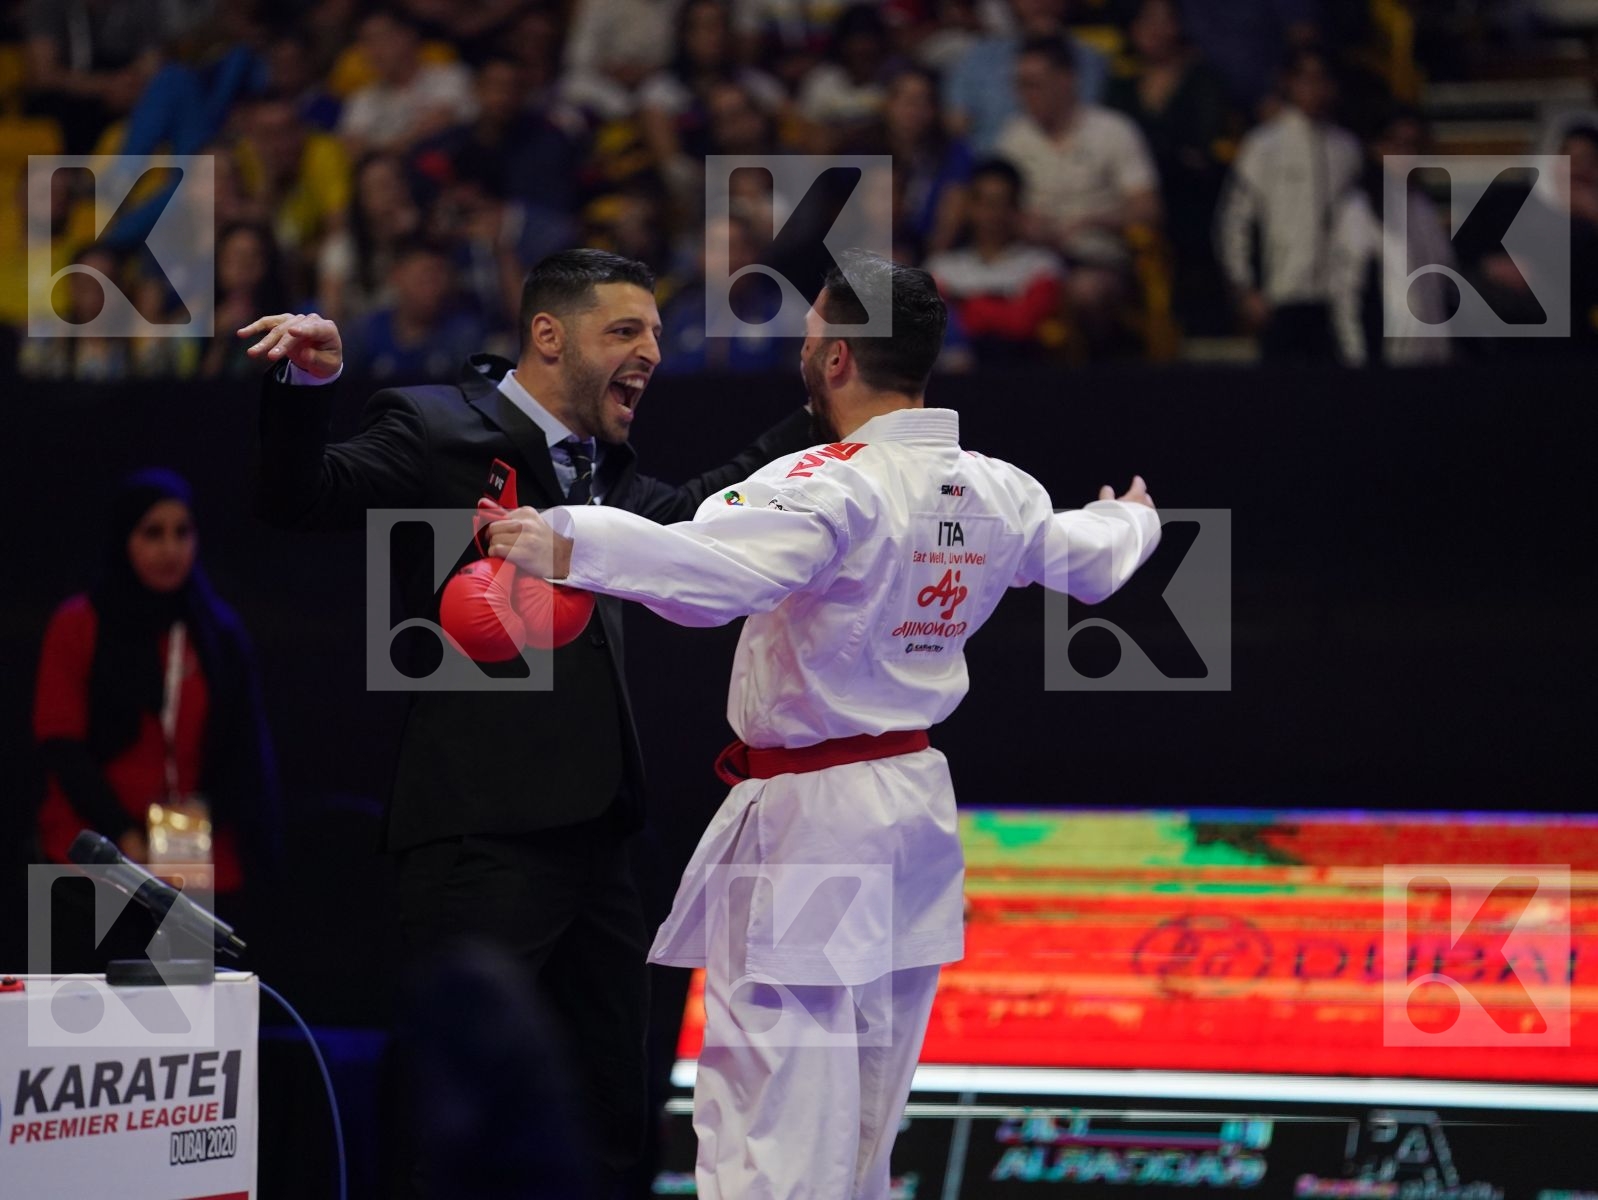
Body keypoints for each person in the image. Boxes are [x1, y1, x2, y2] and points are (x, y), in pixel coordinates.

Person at [481, 251, 1161, 1198]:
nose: (803, 353)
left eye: (809, 339)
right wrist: (1134, 520)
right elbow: (1092, 557)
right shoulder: (999, 489)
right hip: (914, 815)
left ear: (837, 359)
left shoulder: (827, 483)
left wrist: (567, 541)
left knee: (775, 1110)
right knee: (865, 1123)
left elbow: (711, 578)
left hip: (816, 825)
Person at [237, 247, 813, 1195]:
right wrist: (312, 380)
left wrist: (829, 409)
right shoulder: (435, 427)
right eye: (625, 331)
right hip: (480, 838)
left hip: (603, 847)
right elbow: (299, 497)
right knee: (449, 1122)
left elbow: (709, 518)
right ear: (548, 335)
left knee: (610, 1119)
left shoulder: (605, 476)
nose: (652, 354)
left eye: (657, 336)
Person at [33, 468, 278, 915]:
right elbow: (61, 743)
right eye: (153, 533)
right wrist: (125, 834)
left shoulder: (216, 632)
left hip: (188, 856)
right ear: (125, 539)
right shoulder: (78, 623)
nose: (170, 549)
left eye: (182, 533)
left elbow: (242, 754)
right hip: (88, 856)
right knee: (81, 986)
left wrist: (173, 840)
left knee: (185, 984)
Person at [996, 36, 1161, 346]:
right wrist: (1025, 224)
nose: (1025, 95)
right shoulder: (1014, 139)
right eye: (1020, 85)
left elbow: (1148, 208)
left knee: (1084, 291)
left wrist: (1093, 221)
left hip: (1097, 257)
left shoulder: (1113, 130)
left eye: (1034, 84)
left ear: (1066, 80)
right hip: (1032, 259)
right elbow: (1000, 207)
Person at [1215, 47, 1360, 363]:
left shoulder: (1347, 148)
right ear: (1288, 83)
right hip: (1280, 294)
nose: (1314, 88)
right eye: (1305, 79)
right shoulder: (1264, 145)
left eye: (1321, 79)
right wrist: (1244, 288)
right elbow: (1235, 220)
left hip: (1336, 298)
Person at [925, 158, 1066, 363]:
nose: (991, 214)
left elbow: (1022, 324)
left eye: (1001, 203)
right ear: (969, 208)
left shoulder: (1042, 266)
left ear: (1016, 209)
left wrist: (965, 305)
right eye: (984, 203)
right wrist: (1002, 308)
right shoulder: (941, 268)